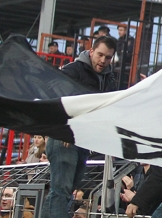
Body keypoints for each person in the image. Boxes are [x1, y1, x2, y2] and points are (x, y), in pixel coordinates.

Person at [41, 36, 117, 218]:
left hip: (83, 140)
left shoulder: (109, 78)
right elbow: (53, 98)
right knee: (61, 191)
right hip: (64, 138)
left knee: (64, 191)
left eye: (108, 57)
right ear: (91, 52)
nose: (103, 61)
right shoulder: (72, 70)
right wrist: (63, 130)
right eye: (100, 55)